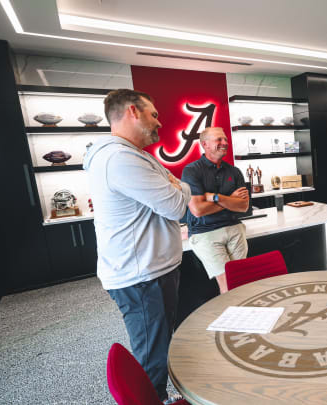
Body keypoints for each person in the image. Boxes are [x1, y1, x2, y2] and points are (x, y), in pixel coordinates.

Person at [84, 89, 191, 403]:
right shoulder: (119, 158)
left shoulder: (135, 154)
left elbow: (177, 186)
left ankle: (157, 394)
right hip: (141, 276)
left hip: (152, 270)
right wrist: (179, 186)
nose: (159, 122)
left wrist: (177, 186)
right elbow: (176, 205)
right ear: (133, 111)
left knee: (158, 345)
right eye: (153, 114)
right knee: (152, 356)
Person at [181, 127, 249, 294]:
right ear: (205, 144)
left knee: (242, 280)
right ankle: (234, 319)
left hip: (234, 228)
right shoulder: (191, 171)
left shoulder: (234, 171)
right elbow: (197, 210)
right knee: (228, 285)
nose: (225, 143)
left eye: (225, 139)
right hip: (205, 233)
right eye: (219, 140)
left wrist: (217, 197)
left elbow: (243, 206)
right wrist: (231, 199)